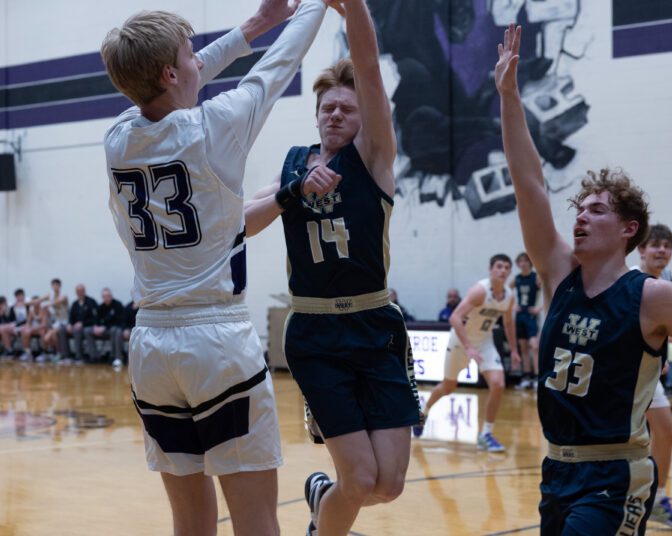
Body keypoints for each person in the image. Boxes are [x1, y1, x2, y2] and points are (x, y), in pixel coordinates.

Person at [496, 24, 672, 535]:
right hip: (556, 470)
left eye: (596, 210)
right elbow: (528, 184)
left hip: (615, 475)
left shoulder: (656, 297)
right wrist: (508, 96)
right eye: (579, 209)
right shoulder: (558, 274)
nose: (580, 217)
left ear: (629, 229)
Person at [100, 1, 330, 534]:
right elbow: (280, 64)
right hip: (216, 342)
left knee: (190, 521)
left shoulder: (117, 138)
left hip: (151, 349)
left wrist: (255, 25)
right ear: (170, 73)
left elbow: (175, 78)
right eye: (190, 54)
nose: (200, 61)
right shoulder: (213, 126)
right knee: (256, 521)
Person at [247, 2, 420, 534]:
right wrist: (291, 192)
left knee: (388, 484)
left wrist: (356, 11)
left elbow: (368, 68)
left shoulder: (373, 158)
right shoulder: (293, 166)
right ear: (316, 113)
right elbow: (241, 223)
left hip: (374, 326)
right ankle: (326, 517)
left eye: (347, 107)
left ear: (365, 117)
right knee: (361, 477)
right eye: (328, 107)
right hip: (316, 333)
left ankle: (322, 497)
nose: (336, 114)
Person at [413, 254, 521, 453]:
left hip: (485, 342)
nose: (503, 270)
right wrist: (469, 347)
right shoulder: (480, 291)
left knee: (498, 384)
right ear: (491, 269)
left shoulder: (509, 295)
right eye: (499, 266)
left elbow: (508, 323)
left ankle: (486, 434)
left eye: (507, 267)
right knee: (448, 386)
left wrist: (514, 350)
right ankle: (423, 412)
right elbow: (455, 318)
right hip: (460, 341)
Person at [634, 224, 672, 528]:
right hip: (619, 374)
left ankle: (656, 500)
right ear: (641, 249)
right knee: (622, 441)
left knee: (666, 431)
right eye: (655, 244)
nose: (662, 250)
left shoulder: (666, 280)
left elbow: (666, 326)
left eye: (667, 246)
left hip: (646, 373)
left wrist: (661, 355)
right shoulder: (631, 281)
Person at [510, 252, 541, 389]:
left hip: (531, 315)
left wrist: (539, 308)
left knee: (534, 346)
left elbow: (549, 290)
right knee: (523, 347)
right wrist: (512, 305)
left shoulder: (536, 277)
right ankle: (526, 377)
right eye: (520, 261)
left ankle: (537, 377)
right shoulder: (517, 279)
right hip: (520, 315)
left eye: (525, 261)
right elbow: (505, 290)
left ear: (530, 262)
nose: (523, 263)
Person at [61, 284, 99, 364]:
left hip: (87, 326)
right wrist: (70, 324)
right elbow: (71, 317)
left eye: (81, 291)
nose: (79, 293)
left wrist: (82, 323)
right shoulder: (75, 303)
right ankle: (66, 356)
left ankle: (79, 356)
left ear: (84, 291)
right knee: (62, 330)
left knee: (77, 330)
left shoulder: (91, 302)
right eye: (78, 291)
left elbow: (95, 318)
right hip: (75, 326)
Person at [93, 288, 126, 367]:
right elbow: (97, 320)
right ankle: (95, 357)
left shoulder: (118, 305)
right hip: (105, 330)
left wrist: (105, 327)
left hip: (117, 329)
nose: (106, 298)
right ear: (102, 298)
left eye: (108, 296)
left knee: (115, 330)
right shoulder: (101, 307)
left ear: (111, 296)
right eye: (104, 296)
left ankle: (117, 357)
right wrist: (96, 326)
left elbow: (120, 321)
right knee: (88, 331)